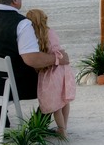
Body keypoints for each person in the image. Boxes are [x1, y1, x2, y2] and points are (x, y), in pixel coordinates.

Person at [25, 9, 75, 138]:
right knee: (63, 100)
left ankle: (61, 129)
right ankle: (64, 127)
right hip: (62, 69)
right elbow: (57, 49)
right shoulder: (50, 32)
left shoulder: (35, 37)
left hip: (49, 72)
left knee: (55, 104)